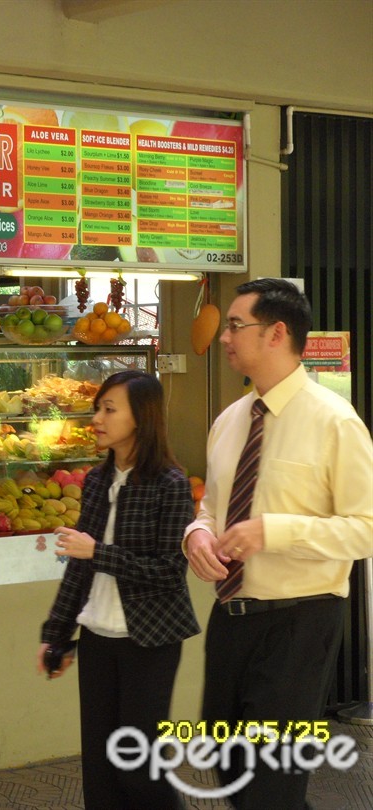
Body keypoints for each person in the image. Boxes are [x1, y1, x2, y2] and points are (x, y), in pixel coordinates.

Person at [184, 278, 373, 810]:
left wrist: (275, 530)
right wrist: (196, 533)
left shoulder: (335, 421)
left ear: (277, 333)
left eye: (236, 326)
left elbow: (365, 527)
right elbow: (210, 509)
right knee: (229, 766)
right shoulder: (229, 421)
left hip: (300, 620)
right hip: (230, 617)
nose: (224, 337)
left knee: (270, 777)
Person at [38, 369, 199, 810]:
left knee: (138, 767)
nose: (97, 419)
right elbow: (79, 567)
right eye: (97, 409)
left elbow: (169, 570)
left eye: (110, 409)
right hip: (97, 641)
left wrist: (99, 553)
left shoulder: (170, 483)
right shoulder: (95, 480)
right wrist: (56, 634)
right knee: (100, 770)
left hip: (150, 640)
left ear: (141, 417)